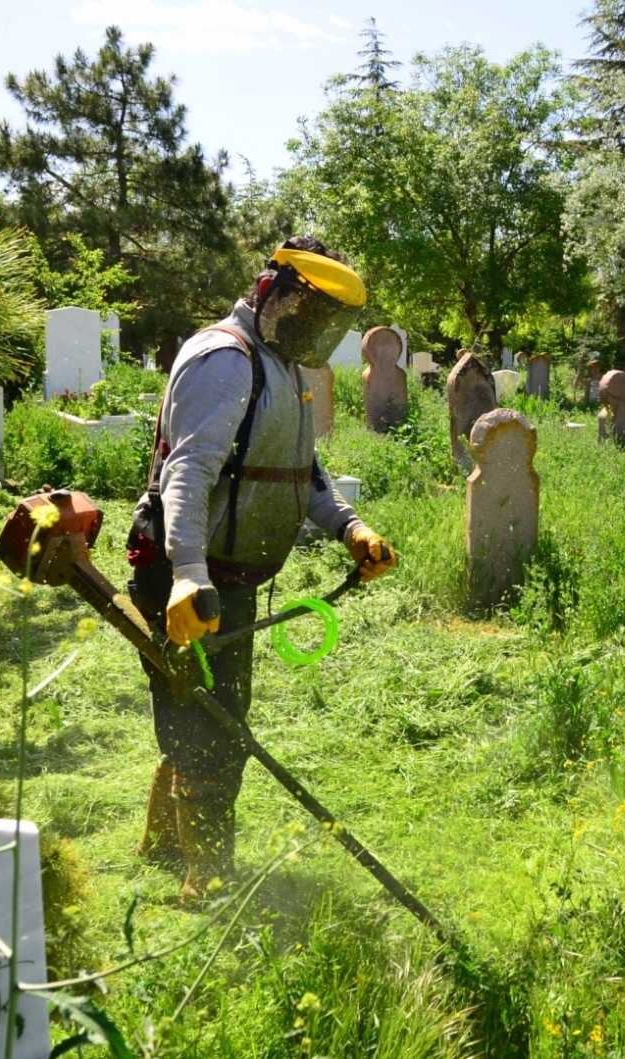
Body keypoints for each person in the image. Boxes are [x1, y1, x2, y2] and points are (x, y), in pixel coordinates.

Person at [125, 237, 396, 897]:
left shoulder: (280, 365)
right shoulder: (226, 359)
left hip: (227, 579)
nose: (313, 326)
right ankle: (207, 879)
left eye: (324, 317)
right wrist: (189, 572)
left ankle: (163, 845)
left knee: (206, 717)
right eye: (306, 306)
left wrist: (348, 526)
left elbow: (299, 467)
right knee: (211, 735)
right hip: (184, 578)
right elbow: (188, 472)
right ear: (270, 288)